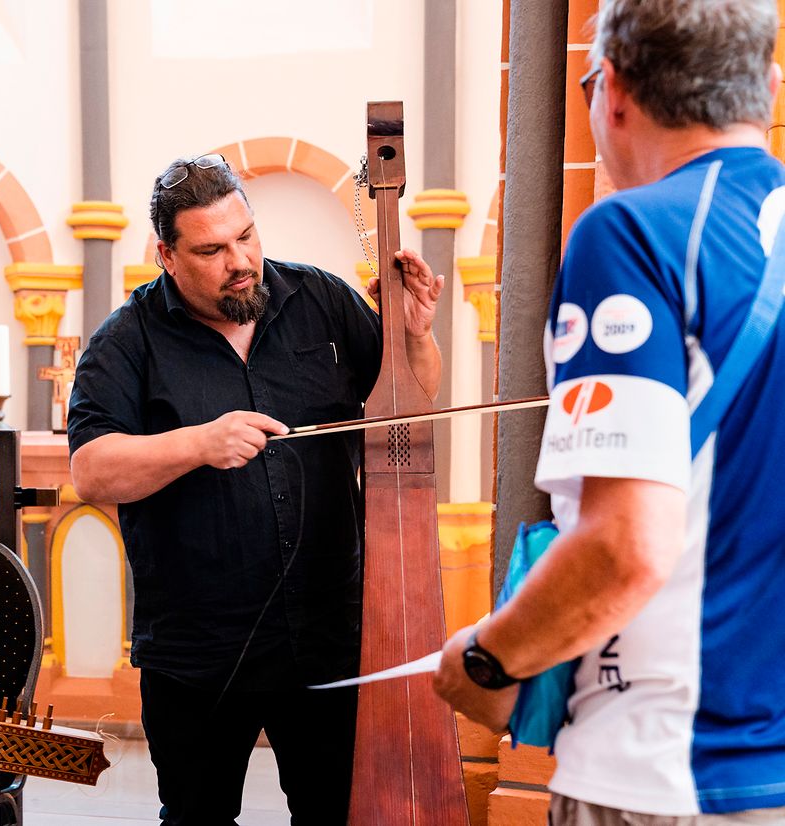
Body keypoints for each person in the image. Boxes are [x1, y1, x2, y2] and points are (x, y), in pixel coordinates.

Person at [433, 1, 785, 822]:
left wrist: (486, 661)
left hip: (668, 765)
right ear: (769, 88)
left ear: (614, 91)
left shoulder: (633, 236)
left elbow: (625, 546)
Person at [68, 154, 443, 824]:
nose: (239, 261)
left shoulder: (321, 300)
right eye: (211, 250)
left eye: (245, 236)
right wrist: (198, 443)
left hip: (327, 635)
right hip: (198, 649)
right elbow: (92, 470)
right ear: (166, 255)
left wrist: (415, 338)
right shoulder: (126, 341)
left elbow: (406, 414)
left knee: (334, 814)